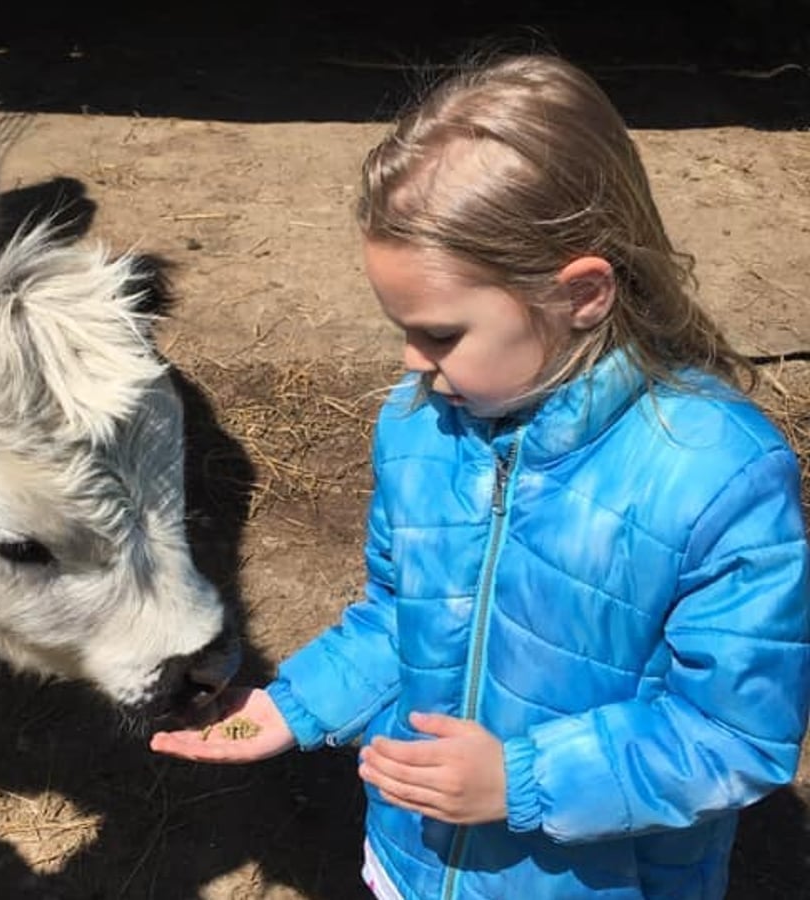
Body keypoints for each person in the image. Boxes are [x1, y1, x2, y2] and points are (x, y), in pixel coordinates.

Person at [150, 53, 810, 899]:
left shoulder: (716, 475)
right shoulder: (419, 428)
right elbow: (400, 618)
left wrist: (524, 781)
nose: (409, 361)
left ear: (583, 294)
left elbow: (732, 734)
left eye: (440, 334)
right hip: (411, 859)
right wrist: (294, 705)